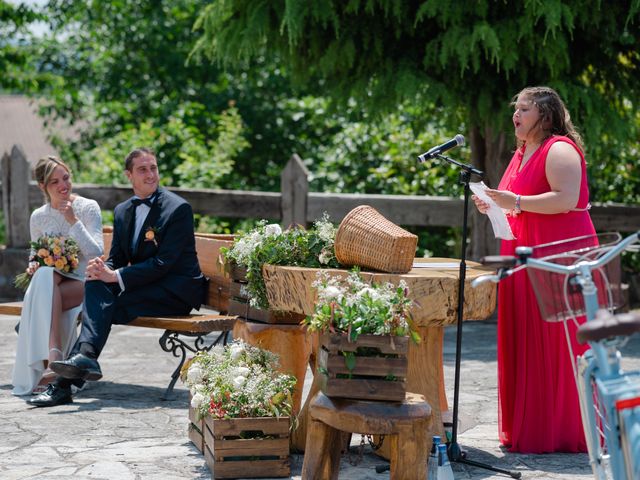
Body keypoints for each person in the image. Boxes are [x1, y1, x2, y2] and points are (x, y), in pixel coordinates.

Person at [29, 147, 208, 407]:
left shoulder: (178, 209)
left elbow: (163, 263)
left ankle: (66, 380)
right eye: (142, 169)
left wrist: (116, 275)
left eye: (153, 168)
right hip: (147, 286)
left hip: (175, 291)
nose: (150, 174)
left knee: (104, 306)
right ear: (129, 175)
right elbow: (117, 257)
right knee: (95, 283)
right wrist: (102, 268)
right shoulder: (124, 210)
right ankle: (81, 364)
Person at [472, 86, 595, 453]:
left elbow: (566, 199)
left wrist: (518, 201)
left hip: (556, 254)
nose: (516, 115)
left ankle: (564, 429)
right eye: (515, 109)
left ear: (545, 114)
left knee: (556, 341)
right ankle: (532, 426)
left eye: (524, 109)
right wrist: (495, 204)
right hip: (524, 251)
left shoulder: (558, 149)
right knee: (527, 334)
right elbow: (515, 202)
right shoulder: (523, 151)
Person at [12, 156, 103, 396]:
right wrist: (33, 266)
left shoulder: (87, 207)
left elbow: (96, 252)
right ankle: (55, 359)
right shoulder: (38, 216)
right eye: (54, 182)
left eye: (66, 178)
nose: (63, 185)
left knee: (42, 290)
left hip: (85, 284)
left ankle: (50, 361)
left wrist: (73, 220)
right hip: (53, 286)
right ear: (42, 186)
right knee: (45, 275)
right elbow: (35, 254)